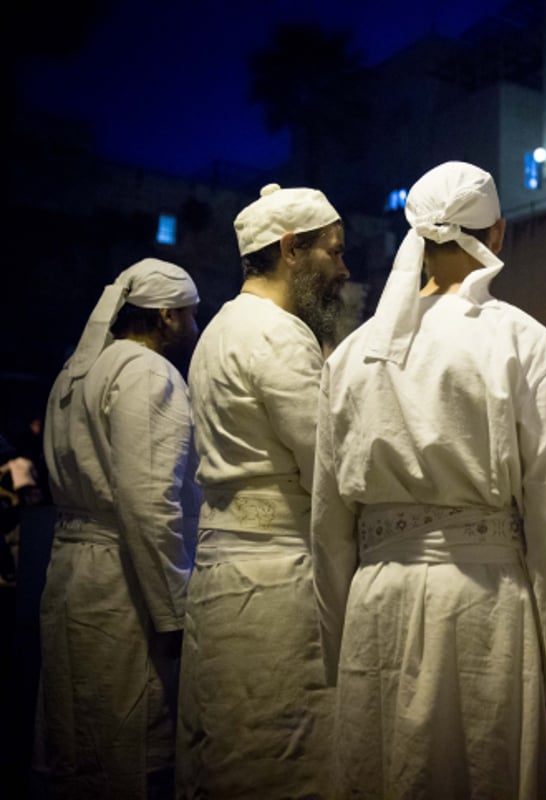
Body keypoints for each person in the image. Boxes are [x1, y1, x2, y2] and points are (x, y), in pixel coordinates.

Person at [311, 161, 546, 799]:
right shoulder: (527, 345)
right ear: (498, 233)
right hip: (483, 606)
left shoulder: (353, 355)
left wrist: (338, 650)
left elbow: (328, 524)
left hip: (375, 607)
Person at [177, 183, 348, 797]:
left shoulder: (220, 328)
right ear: (290, 251)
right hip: (274, 585)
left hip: (223, 578)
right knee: (281, 765)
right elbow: (326, 467)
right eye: (333, 252)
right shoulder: (277, 333)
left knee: (228, 758)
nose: (343, 269)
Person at [38, 258, 201, 798]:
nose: (195, 329)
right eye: (190, 316)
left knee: (79, 731)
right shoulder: (147, 372)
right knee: (127, 740)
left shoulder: (79, 369)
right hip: (123, 579)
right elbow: (150, 503)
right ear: (166, 317)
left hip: (70, 572)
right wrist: (173, 611)